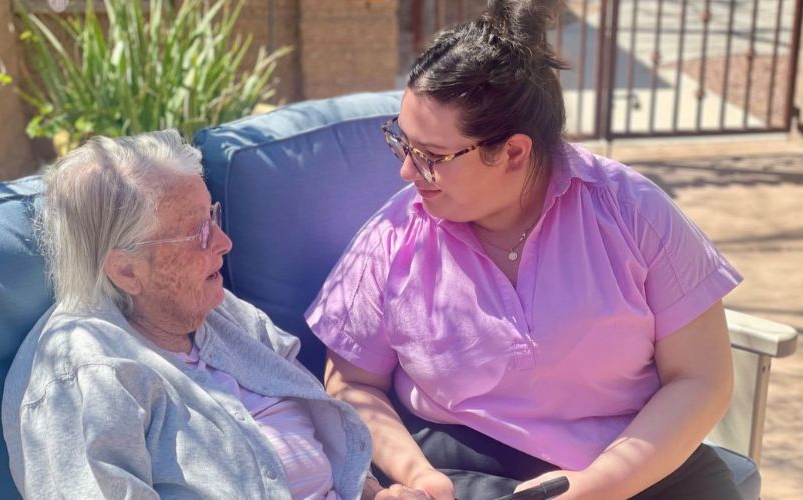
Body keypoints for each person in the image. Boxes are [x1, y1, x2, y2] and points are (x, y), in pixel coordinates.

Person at [306, 1, 743, 499]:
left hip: (637, 460)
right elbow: (350, 385)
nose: (407, 171)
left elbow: (702, 378)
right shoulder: (394, 236)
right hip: (461, 468)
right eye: (402, 144)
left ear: (513, 152)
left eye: (430, 157)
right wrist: (418, 478)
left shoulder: (631, 212)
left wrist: (595, 488)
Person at [1, 130, 427, 500]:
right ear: (127, 270)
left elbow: (328, 445)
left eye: (213, 216)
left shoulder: (220, 311)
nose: (223, 242)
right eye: (198, 231)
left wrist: (374, 494)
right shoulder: (85, 380)